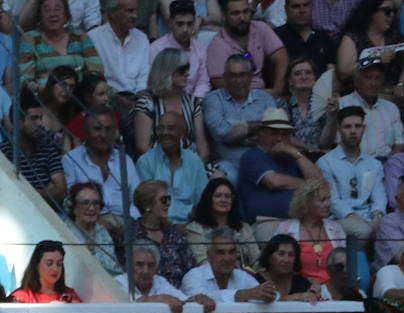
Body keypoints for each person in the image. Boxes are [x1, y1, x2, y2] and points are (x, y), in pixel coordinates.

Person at [236, 108, 323, 233]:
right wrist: (308, 184)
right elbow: (274, 182)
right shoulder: (252, 156)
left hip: (299, 222)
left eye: (285, 134)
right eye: (274, 133)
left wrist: (294, 151)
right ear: (262, 134)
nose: (279, 139)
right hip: (267, 222)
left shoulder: (293, 157)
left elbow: (319, 181)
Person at [203, 54, 274, 183]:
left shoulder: (265, 99)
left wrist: (236, 131)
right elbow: (221, 132)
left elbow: (273, 134)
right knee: (225, 180)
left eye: (242, 75)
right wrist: (261, 125)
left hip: (261, 161)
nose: (237, 81)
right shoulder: (213, 99)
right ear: (224, 77)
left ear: (251, 77)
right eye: (232, 76)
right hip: (226, 164)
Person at [319, 107, 385, 244]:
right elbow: (334, 202)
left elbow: (379, 198)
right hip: (339, 220)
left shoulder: (374, 164)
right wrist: (361, 221)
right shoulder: (325, 162)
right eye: (347, 127)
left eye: (358, 126)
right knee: (362, 231)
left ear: (364, 128)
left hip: (370, 218)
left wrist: (377, 218)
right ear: (339, 129)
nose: (353, 131)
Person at [133, 46, 211, 162]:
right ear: (167, 72)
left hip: (191, 164)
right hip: (156, 165)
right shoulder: (147, 103)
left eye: (187, 68)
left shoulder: (192, 102)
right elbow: (143, 148)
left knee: (219, 178)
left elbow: (202, 146)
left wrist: (194, 168)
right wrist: (170, 168)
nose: (187, 73)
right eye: (182, 70)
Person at [62, 107, 136, 220]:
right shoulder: (71, 160)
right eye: (97, 129)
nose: (103, 135)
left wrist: (129, 220)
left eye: (108, 129)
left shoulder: (125, 160)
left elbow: (137, 198)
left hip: (125, 223)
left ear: (115, 131)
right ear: (85, 132)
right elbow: (70, 201)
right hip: (88, 222)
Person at [135, 110, 207, 225]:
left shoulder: (194, 161)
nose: (164, 132)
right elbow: (146, 205)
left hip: (190, 225)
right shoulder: (145, 162)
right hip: (157, 226)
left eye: (171, 128)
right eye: (160, 128)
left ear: (182, 133)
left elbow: (203, 200)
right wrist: (171, 227)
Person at [271, 178, 344, 291]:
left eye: (329, 199)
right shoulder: (285, 229)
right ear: (306, 203)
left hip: (335, 290)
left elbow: (346, 265)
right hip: (300, 289)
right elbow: (274, 265)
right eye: (322, 200)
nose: (328, 204)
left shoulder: (336, 228)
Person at [0, 89, 69, 205]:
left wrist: (27, 190)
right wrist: (49, 189)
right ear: (18, 121)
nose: (40, 123)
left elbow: (61, 192)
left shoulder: (48, 148)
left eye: (40, 118)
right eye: (34, 118)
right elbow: (9, 195)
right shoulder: (3, 152)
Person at [18, 0, 105, 90]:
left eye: (57, 9)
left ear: (66, 15)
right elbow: (25, 78)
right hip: (45, 97)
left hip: (79, 96)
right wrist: (40, 88)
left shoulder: (80, 37)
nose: (52, 14)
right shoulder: (30, 39)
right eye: (47, 10)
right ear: (40, 16)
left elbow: (97, 70)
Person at [334, 0, 404, 92]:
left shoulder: (395, 37)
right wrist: (375, 60)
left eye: (394, 11)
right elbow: (344, 72)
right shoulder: (353, 37)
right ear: (372, 12)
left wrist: (402, 84)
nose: (392, 15)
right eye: (387, 11)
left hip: (391, 98)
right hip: (359, 97)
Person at [207, 0, 287, 91]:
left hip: (265, 94)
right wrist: (254, 96)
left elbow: (281, 56)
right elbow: (219, 83)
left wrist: (277, 89)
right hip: (233, 98)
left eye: (245, 12)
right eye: (235, 13)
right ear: (224, 16)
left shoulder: (261, 28)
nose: (242, 18)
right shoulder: (217, 45)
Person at [182, 228, 278, 303]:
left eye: (231, 252)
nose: (227, 258)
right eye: (220, 252)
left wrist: (268, 294)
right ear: (209, 255)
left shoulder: (243, 276)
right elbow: (201, 298)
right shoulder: (193, 276)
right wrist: (246, 294)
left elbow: (260, 295)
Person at [183, 176, 260, 269]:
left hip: (245, 279)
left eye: (227, 196)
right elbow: (202, 262)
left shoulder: (244, 228)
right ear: (208, 199)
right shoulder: (195, 229)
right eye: (218, 196)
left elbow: (257, 261)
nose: (223, 200)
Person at [337, 60, 404, 160]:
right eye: (368, 77)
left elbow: (400, 144)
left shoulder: (391, 108)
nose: (373, 83)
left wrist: (389, 167)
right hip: (353, 164)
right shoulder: (342, 104)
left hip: (387, 165)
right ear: (356, 80)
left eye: (378, 78)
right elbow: (337, 143)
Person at [128, 241, 214, 311]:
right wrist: (159, 299)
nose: (145, 271)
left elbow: (183, 300)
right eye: (139, 264)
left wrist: (197, 299)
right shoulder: (119, 283)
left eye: (151, 265)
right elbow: (127, 302)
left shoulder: (159, 281)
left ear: (157, 268)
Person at [89, 0, 150, 99]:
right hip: (108, 99)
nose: (135, 16)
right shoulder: (94, 38)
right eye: (129, 11)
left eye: (136, 11)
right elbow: (95, 78)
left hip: (137, 99)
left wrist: (139, 102)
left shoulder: (141, 38)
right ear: (113, 13)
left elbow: (144, 78)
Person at [63, 182, 124, 279]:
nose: (91, 208)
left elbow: (114, 267)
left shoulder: (101, 231)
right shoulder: (65, 232)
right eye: (85, 203)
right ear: (73, 207)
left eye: (96, 203)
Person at [277, 56, 334, 155]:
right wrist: (310, 149)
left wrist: (332, 117)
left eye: (308, 73)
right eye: (297, 74)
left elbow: (324, 143)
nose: (304, 77)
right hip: (290, 158)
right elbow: (282, 136)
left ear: (314, 77)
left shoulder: (324, 103)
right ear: (290, 80)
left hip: (318, 158)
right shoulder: (282, 104)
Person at [251, 234, 321, 302]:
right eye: (281, 254)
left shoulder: (302, 282)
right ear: (269, 257)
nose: (286, 259)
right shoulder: (255, 281)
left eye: (291, 255)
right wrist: (294, 297)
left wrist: (313, 294)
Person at [275, 0, 338, 75]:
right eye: (295, 6)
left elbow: (330, 75)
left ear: (312, 7)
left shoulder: (325, 40)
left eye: (306, 5)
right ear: (286, 9)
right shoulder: (275, 37)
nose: (302, 10)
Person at [12, 239, 83, 302]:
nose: (55, 269)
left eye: (59, 264)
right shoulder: (21, 297)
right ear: (36, 264)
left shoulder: (70, 295)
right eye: (49, 263)